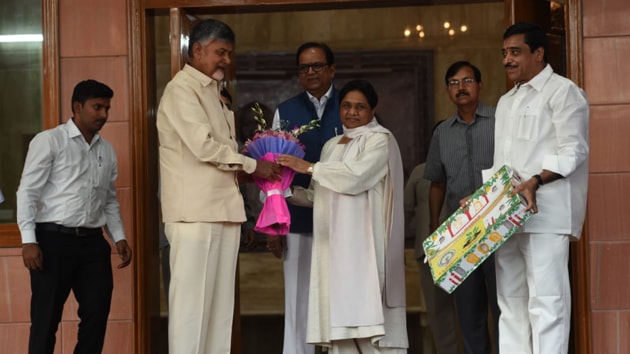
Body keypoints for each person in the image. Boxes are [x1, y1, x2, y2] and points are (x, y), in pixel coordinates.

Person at [156, 18, 281, 354]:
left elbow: (226, 153)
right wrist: (255, 165)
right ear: (197, 51)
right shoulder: (180, 90)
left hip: (224, 212)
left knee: (220, 313)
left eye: (229, 53)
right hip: (193, 216)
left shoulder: (215, 94)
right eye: (220, 52)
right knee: (191, 312)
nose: (226, 59)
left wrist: (250, 165)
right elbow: (204, 146)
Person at [277, 79, 408, 353]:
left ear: (373, 109)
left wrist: (308, 167)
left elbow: (355, 177)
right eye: (346, 105)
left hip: (365, 248)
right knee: (340, 330)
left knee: (371, 324)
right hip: (334, 248)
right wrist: (284, 191)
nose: (352, 112)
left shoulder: (380, 140)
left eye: (360, 106)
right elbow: (318, 195)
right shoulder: (332, 145)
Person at [484, 22, 589, 354]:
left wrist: (535, 181)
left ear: (539, 53)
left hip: (546, 215)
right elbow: (503, 164)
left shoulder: (564, 91)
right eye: (504, 53)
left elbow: (574, 151)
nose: (507, 60)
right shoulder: (505, 101)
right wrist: (483, 203)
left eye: (515, 52)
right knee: (511, 303)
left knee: (547, 303)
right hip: (507, 218)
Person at [16, 79, 133, 354]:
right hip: (52, 241)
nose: (103, 115)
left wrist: (119, 237)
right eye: (97, 107)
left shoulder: (107, 150)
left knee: (96, 318)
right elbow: (27, 192)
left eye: (107, 108)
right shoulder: (49, 141)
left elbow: (109, 200)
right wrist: (28, 240)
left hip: (93, 244)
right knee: (46, 321)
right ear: (77, 107)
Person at [267, 41, 342, 354]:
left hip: (342, 223)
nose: (310, 72)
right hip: (296, 222)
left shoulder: (351, 105)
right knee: (298, 302)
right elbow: (270, 173)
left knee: (340, 299)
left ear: (331, 69)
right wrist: (273, 224)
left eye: (317, 66)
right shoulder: (285, 111)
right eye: (304, 67)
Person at [423, 61, 499, 354]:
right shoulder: (442, 132)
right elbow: (437, 182)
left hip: (498, 227)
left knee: (504, 307)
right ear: (447, 91)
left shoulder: (500, 120)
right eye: (454, 83)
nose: (461, 87)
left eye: (467, 80)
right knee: (469, 313)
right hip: (461, 235)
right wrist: (434, 227)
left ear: (480, 85)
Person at [404, 121, 460, 354]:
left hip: (468, 249)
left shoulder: (469, 169)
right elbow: (405, 211)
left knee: (473, 309)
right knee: (438, 313)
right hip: (429, 254)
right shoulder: (420, 172)